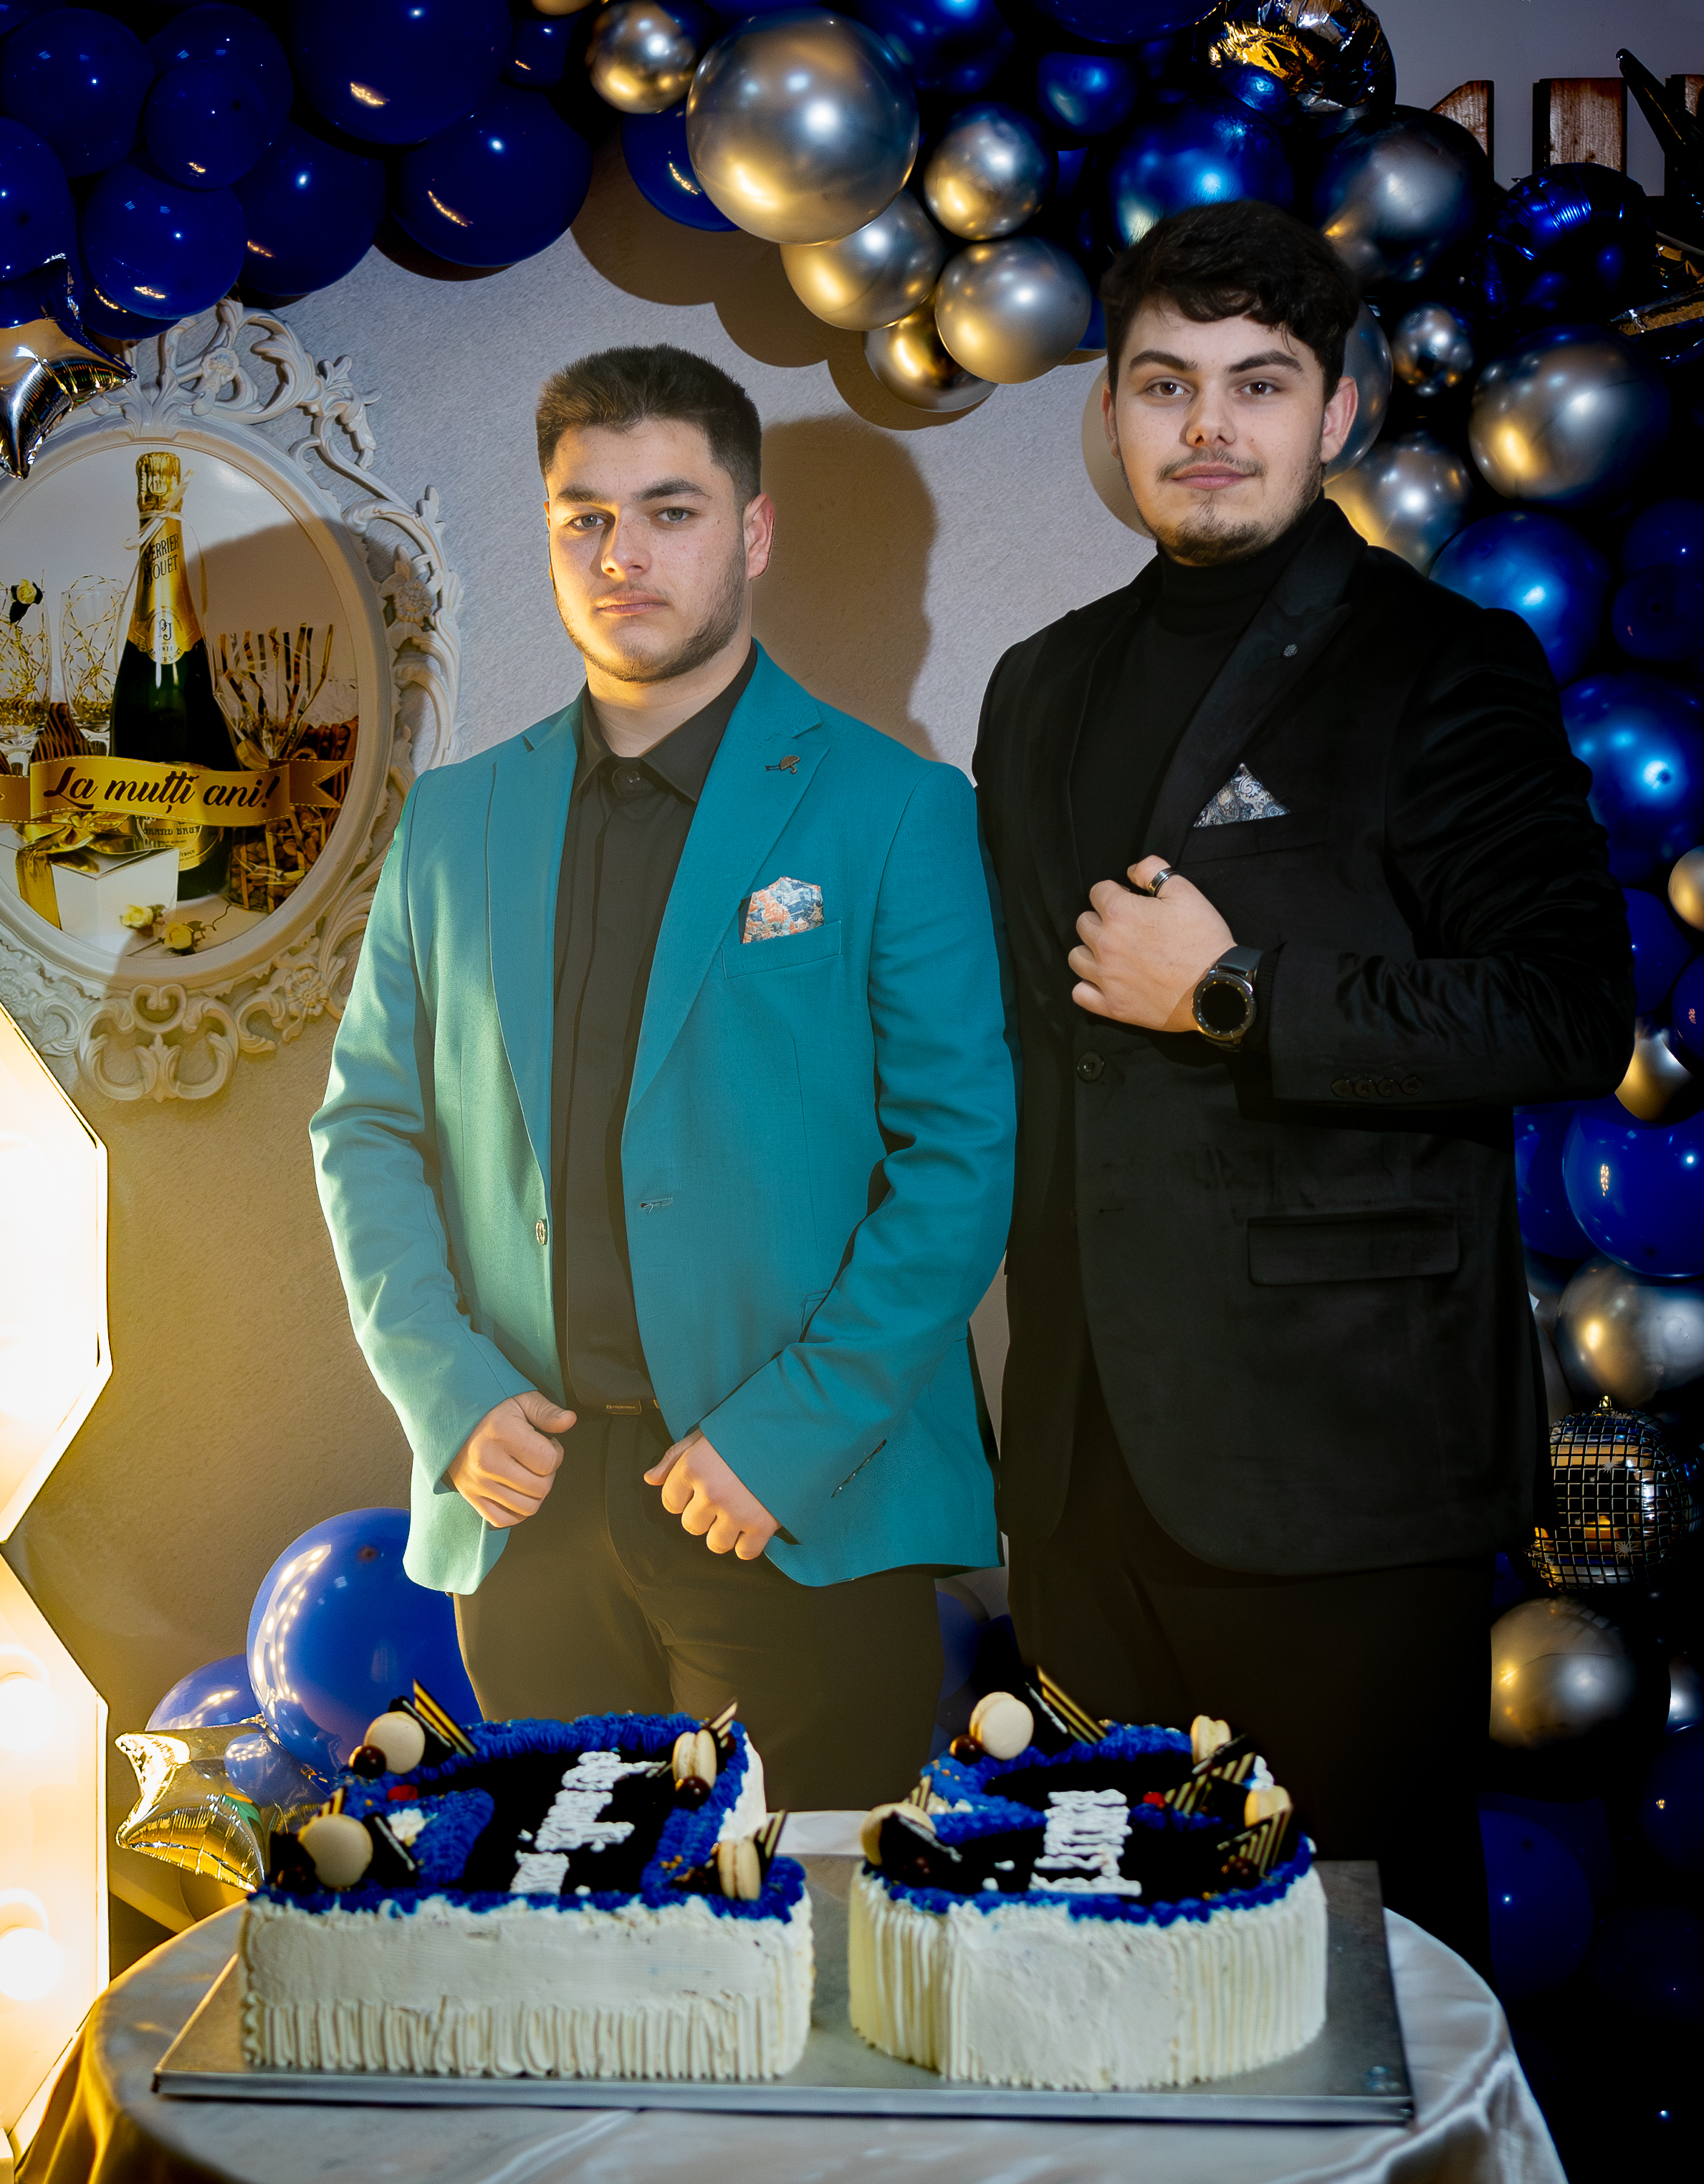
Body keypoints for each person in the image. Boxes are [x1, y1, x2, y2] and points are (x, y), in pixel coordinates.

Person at [972, 201, 1634, 1965]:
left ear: (1335, 412)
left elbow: (1567, 1012)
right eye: (1164, 383)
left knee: (1356, 1977)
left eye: (1257, 384)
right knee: (1118, 1971)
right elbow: (1022, 1044)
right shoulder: (1037, 688)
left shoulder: (1444, 664)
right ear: (1111, 412)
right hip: (1082, 1472)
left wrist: (1234, 994)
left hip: (1339, 1473)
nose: (1207, 426)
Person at [312, 344, 1015, 1809]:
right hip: (529, 1499)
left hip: (792, 1500)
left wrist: (788, 1436)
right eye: (584, 517)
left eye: (670, 511)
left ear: (751, 533)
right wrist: (449, 1395)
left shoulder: (896, 810)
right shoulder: (452, 822)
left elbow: (960, 1158)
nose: (621, 554)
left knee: (802, 1940)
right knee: (571, 1929)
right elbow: (366, 1127)